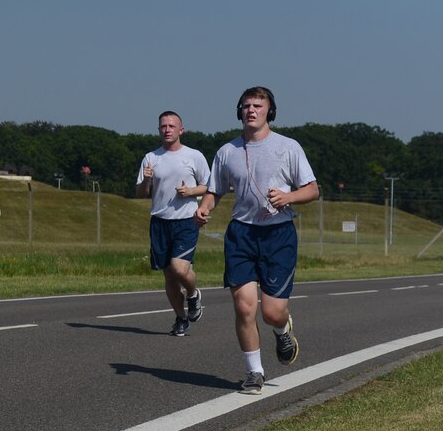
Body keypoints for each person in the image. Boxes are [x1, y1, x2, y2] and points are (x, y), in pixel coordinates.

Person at [202, 86, 319, 395]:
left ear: (270, 111)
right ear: (239, 111)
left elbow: (312, 189)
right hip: (241, 234)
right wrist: (205, 207)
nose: (251, 110)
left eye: (258, 105)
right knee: (244, 307)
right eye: (246, 105)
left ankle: (282, 330)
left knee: (271, 312)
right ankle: (254, 371)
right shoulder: (227, 152)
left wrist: (288, 196)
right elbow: (215, 189)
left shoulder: (288, 147)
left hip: (278, 235)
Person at [135, 111, 212, 336]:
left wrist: (190, 191)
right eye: (163, 126)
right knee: (169, 275)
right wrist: (147, 179)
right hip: (160, 222)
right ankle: (180, 318)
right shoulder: (151, 158)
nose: (167, 129)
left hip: (186, 221)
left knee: (180, 268)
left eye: (171, 126)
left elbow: (209, 185)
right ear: (159, 130)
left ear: (181, 130)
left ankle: (193, 293)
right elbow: (140, 193)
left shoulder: (194, 156)